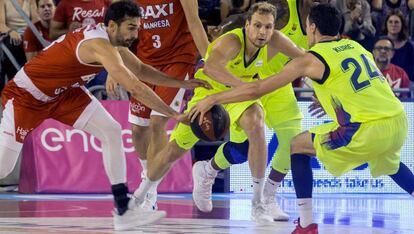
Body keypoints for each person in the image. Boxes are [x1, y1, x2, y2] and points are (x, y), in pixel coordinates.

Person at [189, 4, 414, 234]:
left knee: (297, 145)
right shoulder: (356, 46)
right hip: (397, 120)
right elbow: (372, 84)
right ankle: (255, 192)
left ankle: (305, 225)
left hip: (366, 127)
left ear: (312, 27)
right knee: (391, 164)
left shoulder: (309, 59)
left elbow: (256, 89)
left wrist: (213, 98)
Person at [0, 1, 208, 231]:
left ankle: (123, 209)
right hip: (27, 96)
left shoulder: (114, 42)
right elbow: (136, 86)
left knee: (111, 131)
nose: (135, 34)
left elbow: (139, 70)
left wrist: (181, 83)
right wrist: (173, 114)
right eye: (130, 27)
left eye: (137, 27)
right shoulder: (99, 45)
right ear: (111, 25)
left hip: (65, 93)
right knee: (3, 168)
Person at [132, 2, 304, 223]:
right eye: (258, 26)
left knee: (256, 122)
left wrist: (323, 84)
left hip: (237, 96)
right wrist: (242, 85)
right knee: (172, 151)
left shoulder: (275, 39)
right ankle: (141, 195)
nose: (263, 32)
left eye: (268, 27)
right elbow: (211, 68)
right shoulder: (232, 41)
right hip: (209, 92)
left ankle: (258, 204)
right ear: (248, 24)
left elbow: (305, 58)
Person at [192, 0, 329, 221]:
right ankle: (208, 169)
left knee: (293, 140)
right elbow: (246, 21)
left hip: (278, 84)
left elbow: (307, 60)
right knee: (241, 150)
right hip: (246, 83)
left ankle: (267, 199)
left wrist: (324, 93)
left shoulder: (322, 20)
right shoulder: (282, 8)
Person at [105, 0, 209, 211]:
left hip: (178, 59)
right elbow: (117, 30)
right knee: (138, 128)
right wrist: (112, 67)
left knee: (158, 121)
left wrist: (211, 60)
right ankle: (148, 175)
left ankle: (149, 191)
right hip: (145, 61)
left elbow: (195, 23)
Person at [0, 0, 39, 94]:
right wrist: (10, 31)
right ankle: (14, 87)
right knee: (13, 45)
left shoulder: (31, 1)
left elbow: (36, 20)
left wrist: (29, 34)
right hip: (11, 35)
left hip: (28, 34)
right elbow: (1, 24)